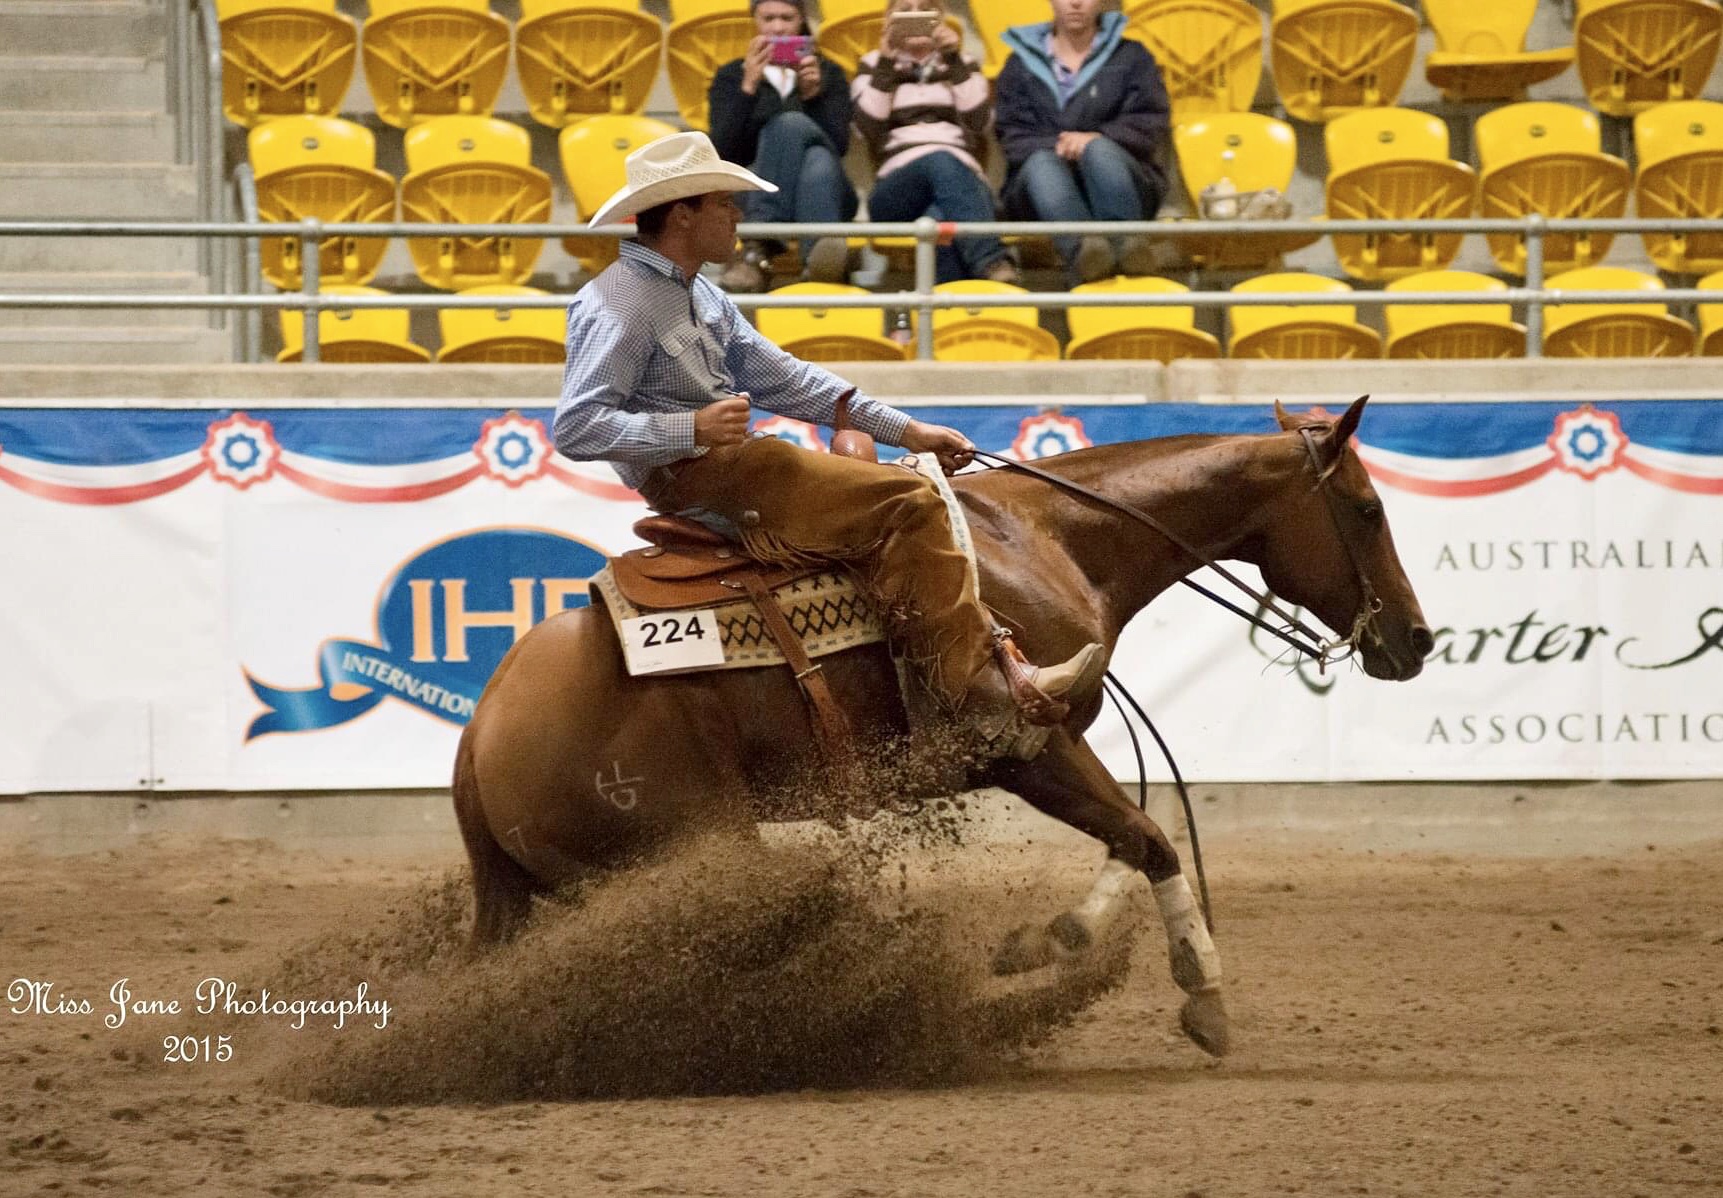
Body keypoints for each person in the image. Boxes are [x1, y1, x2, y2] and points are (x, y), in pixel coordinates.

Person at [555, 131, 1106, 758]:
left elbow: (789, 380)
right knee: (908, 502)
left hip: (735, 465)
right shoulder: (620, 303)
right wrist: (691, 430)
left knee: (887, 480)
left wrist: (907, 430)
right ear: (683, 214)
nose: (737, 215)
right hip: (702, 475)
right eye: (724, 203)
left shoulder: (700, 293)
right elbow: (577, 426)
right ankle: (981, 684)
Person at [994, 0, 1171, 283]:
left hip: (1124, 181)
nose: (1075, 3)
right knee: (1042, 165)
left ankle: (1122, 247)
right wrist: (1061, 145)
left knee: (1098, 150)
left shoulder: (1132, 56)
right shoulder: (1019, 64)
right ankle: (1089, 254)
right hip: (1041, 192)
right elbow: (1012, 133)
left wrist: (1096, 139)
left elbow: (1150, 119)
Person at [852, 0, 1018, 284]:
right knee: (937, 157)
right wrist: (886, 63)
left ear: (940, 18)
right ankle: (991, 260)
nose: (915, 15)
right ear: (889, 19)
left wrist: (953, 59)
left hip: (963, 184)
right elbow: (866, 129)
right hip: (897, 191)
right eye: (905, 10)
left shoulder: (962, 62)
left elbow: (980, 123)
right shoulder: (873, 63)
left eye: (924, 8)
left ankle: (948, 304)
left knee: (938, 219)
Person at [708, 0, 857, 293]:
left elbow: (839, 145)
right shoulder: (731, 76)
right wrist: (748, 88)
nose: (777, 27)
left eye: (787, 18)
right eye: (769, 18)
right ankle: (819, 266)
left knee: (805, 140)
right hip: (751, 190)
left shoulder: (828, 73)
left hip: (833, 192)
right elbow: (724, 153)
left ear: (801, 21)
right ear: (755, 22)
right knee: (816, 161)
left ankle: (757, 248)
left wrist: (813, 96)